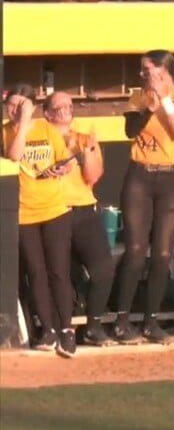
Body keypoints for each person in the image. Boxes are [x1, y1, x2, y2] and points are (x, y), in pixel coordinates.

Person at [116, 50, 174, 345]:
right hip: (140, 175)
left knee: (163, 253)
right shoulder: (139, 96)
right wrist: (148, 108)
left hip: (171, 177)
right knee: (136, 250)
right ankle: (122, 321)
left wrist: (164, 99)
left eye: (149, 70)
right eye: (143, 70)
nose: (145, 75)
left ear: (165, 70)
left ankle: (151, 322)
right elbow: (130, 131)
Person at [3, 85, 77, 358]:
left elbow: (66, 160)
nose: (14, 110)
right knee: (36, 273)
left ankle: (67, 329)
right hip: (24, 213)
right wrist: (22, 123)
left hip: (54, 209)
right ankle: (47, 329)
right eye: (11, 105)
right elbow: (14, 155)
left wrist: (64, 167)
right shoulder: (6, 131)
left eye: (20, 105)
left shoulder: (47, 129)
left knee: (58, 271)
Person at [42, 92, 117, 347]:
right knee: (58, 273)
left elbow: (93, 177)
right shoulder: (40, 139)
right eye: (59, 106)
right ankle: (60, 328)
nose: (65, 109)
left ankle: (94, 326)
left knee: (103, 269)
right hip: (52, 211)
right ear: (47, 113)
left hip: (83, 210)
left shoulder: (84, 138)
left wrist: (89, 152)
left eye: (69, 105)